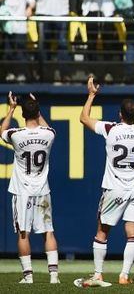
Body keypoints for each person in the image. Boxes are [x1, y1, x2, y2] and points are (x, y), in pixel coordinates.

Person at [76, 78, 134, 287]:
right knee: (132, 234)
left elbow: (84, 118)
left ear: (120, 114)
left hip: (114, 189)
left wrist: (91, 95)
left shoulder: (111, 128)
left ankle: (98, 274)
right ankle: (124, 275)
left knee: (102, 231)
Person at [1, 93, 59, 284]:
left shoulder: (16, 135)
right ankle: (54, 276)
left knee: (23, 233)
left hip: (22, 191)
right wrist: (36, 107)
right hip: (42, 190)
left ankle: (28, 276)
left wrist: (11, 108)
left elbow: (2, 131)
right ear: (37, 113)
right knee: (48, 232)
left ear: (23, 114)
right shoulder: (49, 134)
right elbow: (47, 127)